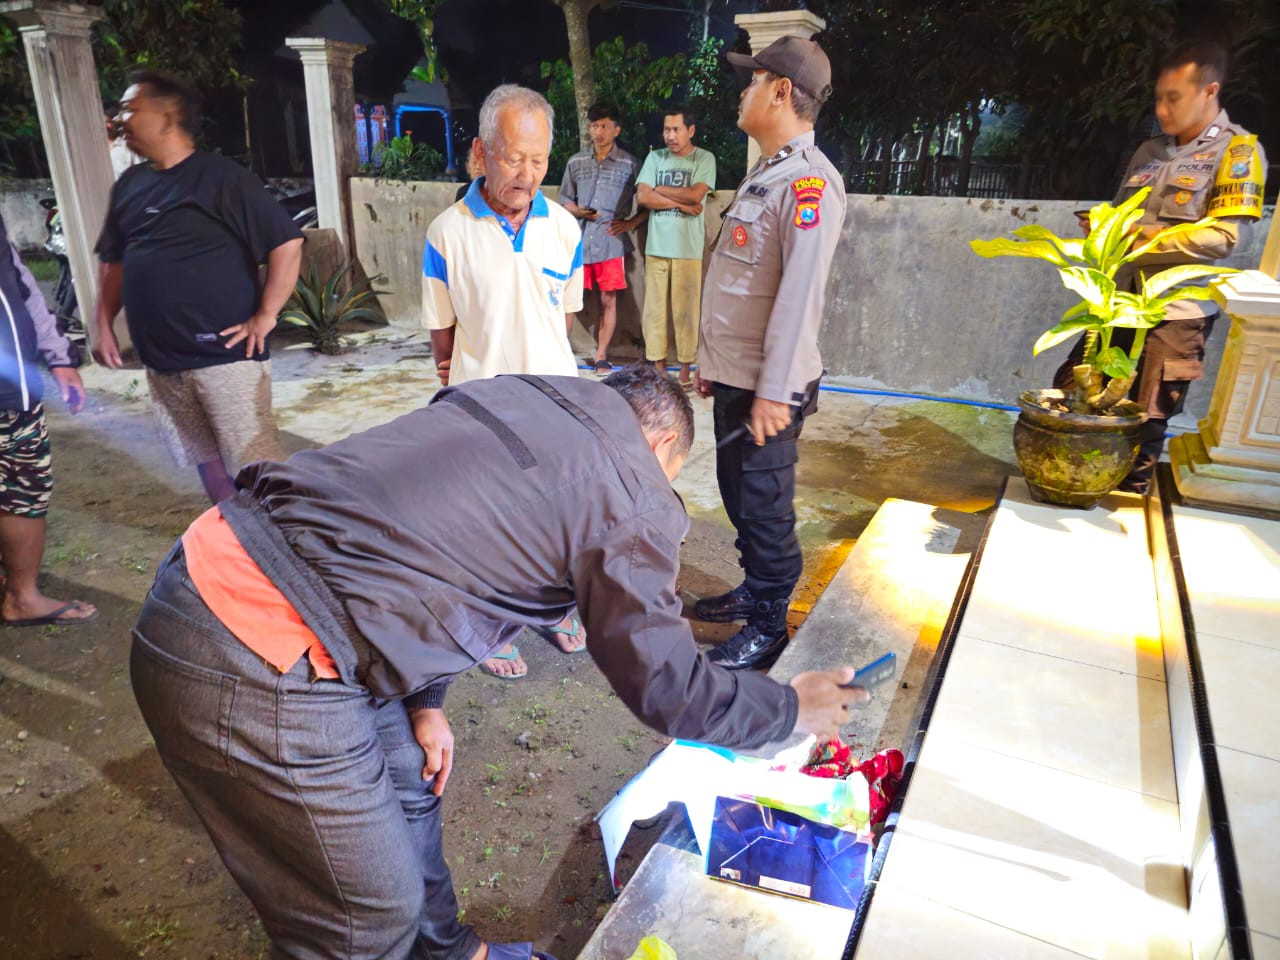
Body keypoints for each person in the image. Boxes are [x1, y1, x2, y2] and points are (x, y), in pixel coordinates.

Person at [130, 364, 865, 960]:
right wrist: (791, 707)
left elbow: (427, 545)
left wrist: (426, 703)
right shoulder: (629, 489)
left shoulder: (513, 397)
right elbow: (670, 688)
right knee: (364, 919)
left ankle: (454, 956)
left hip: (224, 575)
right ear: (664, 449)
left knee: (413, 790)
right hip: (255, 650)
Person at [693, 36, 847, 671]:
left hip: (768, 389)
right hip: (739, 377)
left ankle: (769, 622)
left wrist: (775, 391)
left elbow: (797, 296)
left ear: (781, 91)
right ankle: (755, 586)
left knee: (765, 508)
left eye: (751, 81)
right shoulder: (767, 173)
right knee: (737, 492)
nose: (743, 92)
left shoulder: (810, 185)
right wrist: (712, 364)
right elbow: (739, 284)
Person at [423, 84, 585, 678]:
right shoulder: (448, 232)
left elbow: (562, 318)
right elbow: (442, 337)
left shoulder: (565, 229)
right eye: (514, 157)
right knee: (485, 524)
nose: (527, 172)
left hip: (554, 404)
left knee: (556, 518)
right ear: (481, 153)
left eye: (539, 160)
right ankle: (490, 630)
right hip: (479, 408)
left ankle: (554, 609)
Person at [1058, 40, 1267, 494]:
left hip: (1174, 311)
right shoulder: (1149, 151)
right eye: (1159, 97)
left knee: (1147, 413)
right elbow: (1122, 214)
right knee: (1078, 392)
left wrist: (1155, 237)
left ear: (1209, 91)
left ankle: (1126, 502)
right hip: (1118, 301)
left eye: (1174, 98)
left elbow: (1225, 238)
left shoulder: (1238, 154)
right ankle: (1079, 488)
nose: (1162, 109)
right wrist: (1101, 224)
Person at [93, 70, 304, 504]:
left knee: (254, 461)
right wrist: (103, 322)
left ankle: (284, 539)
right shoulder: (130, 185)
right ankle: (232, 536)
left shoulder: (223, 178)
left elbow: (286, 242)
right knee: (204, 458)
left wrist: (266, 316)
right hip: (164, 359)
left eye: (131, 109)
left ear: (167, 117)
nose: (120, 119)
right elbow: (114, 259)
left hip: (224, 355)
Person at [0, 213, 95, 627]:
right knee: (22, 487)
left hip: (13, 392)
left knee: (22, 488)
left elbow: (19, 283)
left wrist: (58, 355)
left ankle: (20, 596)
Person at [559, 102, 646, 376]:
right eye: (594, 126)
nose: (598, 131)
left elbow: (646, 201)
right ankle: (559, 350)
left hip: (611, 242)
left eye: (604, 126)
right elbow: (564, 200)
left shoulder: (630, 164)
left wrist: (630, 223)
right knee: (570, 297)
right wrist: (578, 211)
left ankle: (601, 355)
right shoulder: (576, 162)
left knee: (609, 300)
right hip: (580, 242)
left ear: (616, 129)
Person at [634, 104, 716, 387]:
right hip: (656, 247)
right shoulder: (654, 158)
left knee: (686, 312)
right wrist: (679, 204)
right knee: (654, 311)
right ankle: (658, 368)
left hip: (687, 249)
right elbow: (643, 197)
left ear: (690, 130)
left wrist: (661, 189)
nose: (670, 135)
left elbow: (696, 196)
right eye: (666, 129)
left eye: (676, 129)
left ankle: (685, 369)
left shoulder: (704, 159)